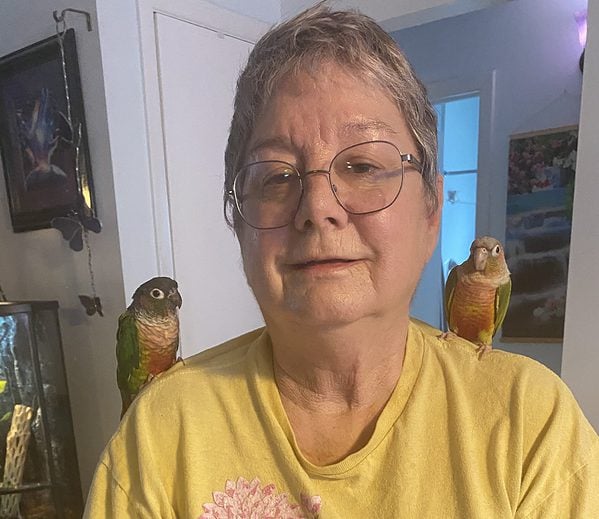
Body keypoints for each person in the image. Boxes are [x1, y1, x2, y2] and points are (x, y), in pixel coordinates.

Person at [84, 5, 599, 518]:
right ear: (237, 221)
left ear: (431, 211)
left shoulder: (531, 424)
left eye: (364, 164)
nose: (318, 209)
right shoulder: (158, 436)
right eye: (278, 176)